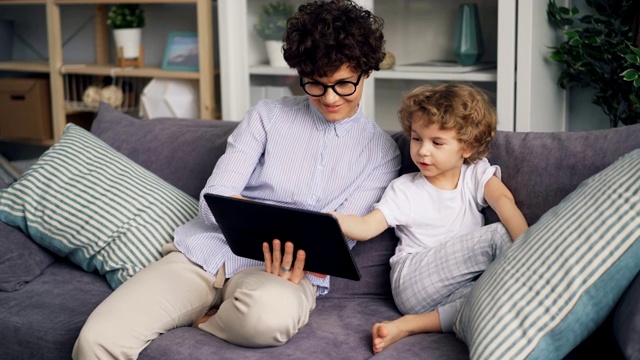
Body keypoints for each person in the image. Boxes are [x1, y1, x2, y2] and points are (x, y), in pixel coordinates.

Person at [72, 0, 400, 358]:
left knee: (268, 319)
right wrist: (279, 226)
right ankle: (194, 310)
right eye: (316, 85)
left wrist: (297, 254)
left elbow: (338, 238)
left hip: (286, 277)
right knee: (97, 339)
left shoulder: (382, 153)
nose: (330, 98)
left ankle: (204, 321)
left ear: (367, 72)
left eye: (343, 85)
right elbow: (216, 198)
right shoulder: (267, 116)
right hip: (204, 255)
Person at [330, 83, 529, 354]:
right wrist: (332, 219)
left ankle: (410, 326)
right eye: (416, 139)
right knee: (498, 235)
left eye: (437, 143)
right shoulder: (405, 188)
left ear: (466, 147)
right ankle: (539, 281)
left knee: (489, 299)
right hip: (412, 280)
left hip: (456, 289)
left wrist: (526, 245)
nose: (423, 151)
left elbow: (505, 202)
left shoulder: (475, 174)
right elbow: (366, 227)